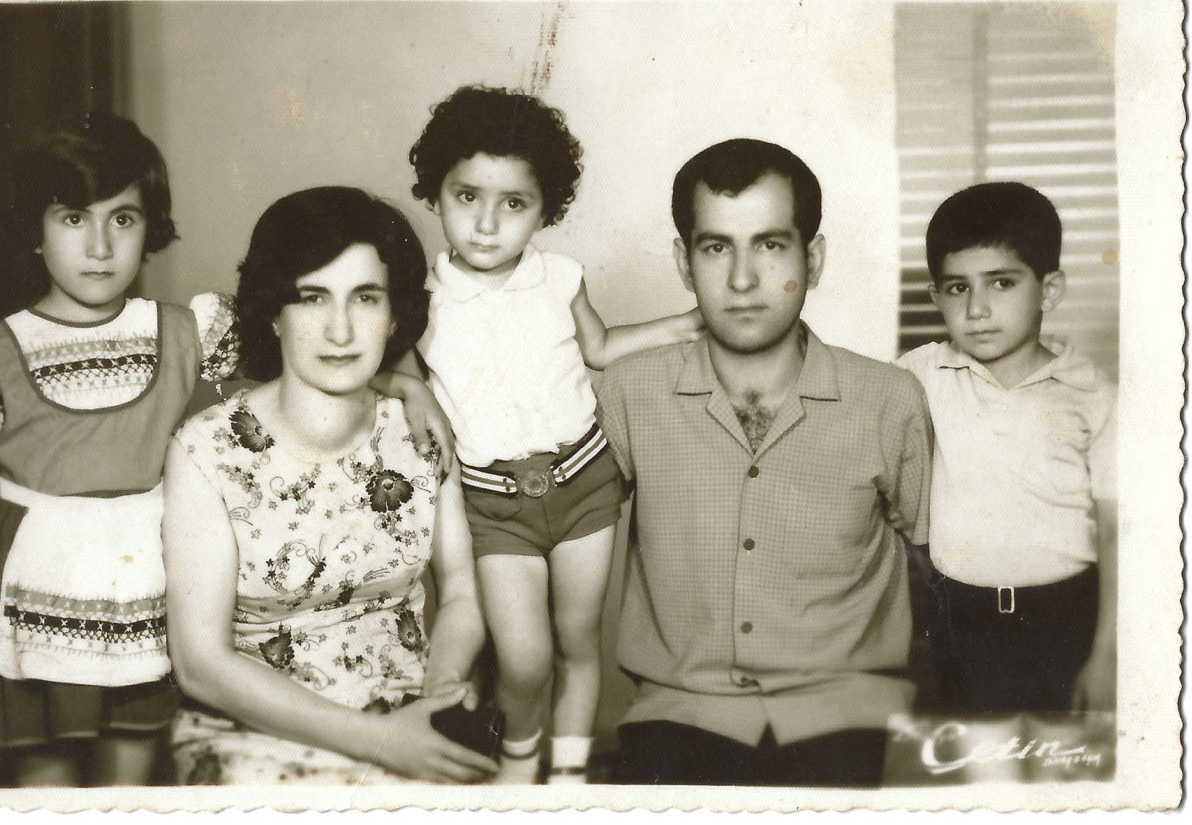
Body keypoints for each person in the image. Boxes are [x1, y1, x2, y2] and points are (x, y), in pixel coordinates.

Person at [599, 138, 933, 786]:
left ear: (813, 258)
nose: (743, 280)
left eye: (771, 245)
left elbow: (941, 573)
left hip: (855, 717)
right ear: (682, 260)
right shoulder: (628, 393)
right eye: (716, 246)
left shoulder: (889, 400)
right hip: (679, 718)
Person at [404, 86, 703, 784]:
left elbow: (599, 348)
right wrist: (414, 385)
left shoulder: (559, 277)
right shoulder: (421, 297)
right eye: (466, 195)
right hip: (492, 502)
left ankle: (566, 779)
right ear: (434, 191)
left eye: (514, 204)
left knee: (577, 642)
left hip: (584, 483)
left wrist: (683, 324)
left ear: (547, 208)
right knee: (525, 655)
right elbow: (387, 370)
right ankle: (518, 760)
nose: (486, 223)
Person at [161, 186, 498, 785]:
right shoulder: (204, 449)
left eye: (365, 298)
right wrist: (380, 744)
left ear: (396, 315)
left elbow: (464, 591)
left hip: (407, 712)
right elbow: (201, 664)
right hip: (255, 733)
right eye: (312, 297)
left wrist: (440, 699)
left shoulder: (421, 432)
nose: (340, 330)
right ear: (272, 309)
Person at [0, 112, 238, 786]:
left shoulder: (186, 331)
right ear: (36, 229)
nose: (101, 246)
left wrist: (405, 380)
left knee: (128, 783)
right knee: (43, 785)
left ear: (150, 227)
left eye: (124, 218)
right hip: (28, 599)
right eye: (74, 218)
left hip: (145, 590)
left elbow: (312, 350)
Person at [897, 182, 1117, 714]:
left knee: (1065, 777)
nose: (977, 309)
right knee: (979, 770)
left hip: (1067, 617)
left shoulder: (1092, 394)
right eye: (956, 288)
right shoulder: (918, 376)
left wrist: (1107, 654)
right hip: (960, 618)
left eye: (1001, 282)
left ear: (1050, 289)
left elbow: (1117, 533)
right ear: (936, 297)